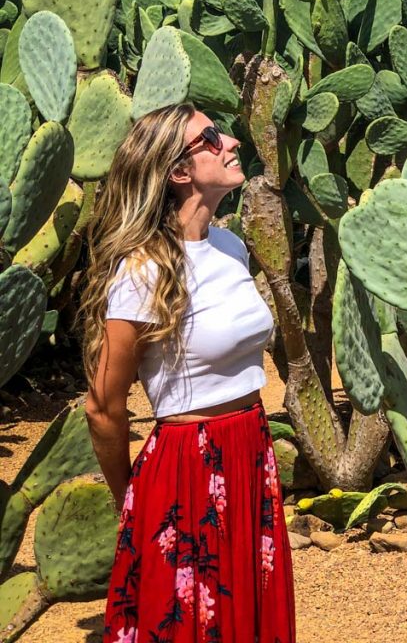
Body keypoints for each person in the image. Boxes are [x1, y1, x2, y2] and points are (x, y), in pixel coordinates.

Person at [80, 102, 295, 643]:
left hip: (251, 448)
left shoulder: (231, 247)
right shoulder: (142, 271)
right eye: (211, 138)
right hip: (184, 468)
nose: (232, 143)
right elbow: (102, 408)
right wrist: (132, 496)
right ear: (179, 172)